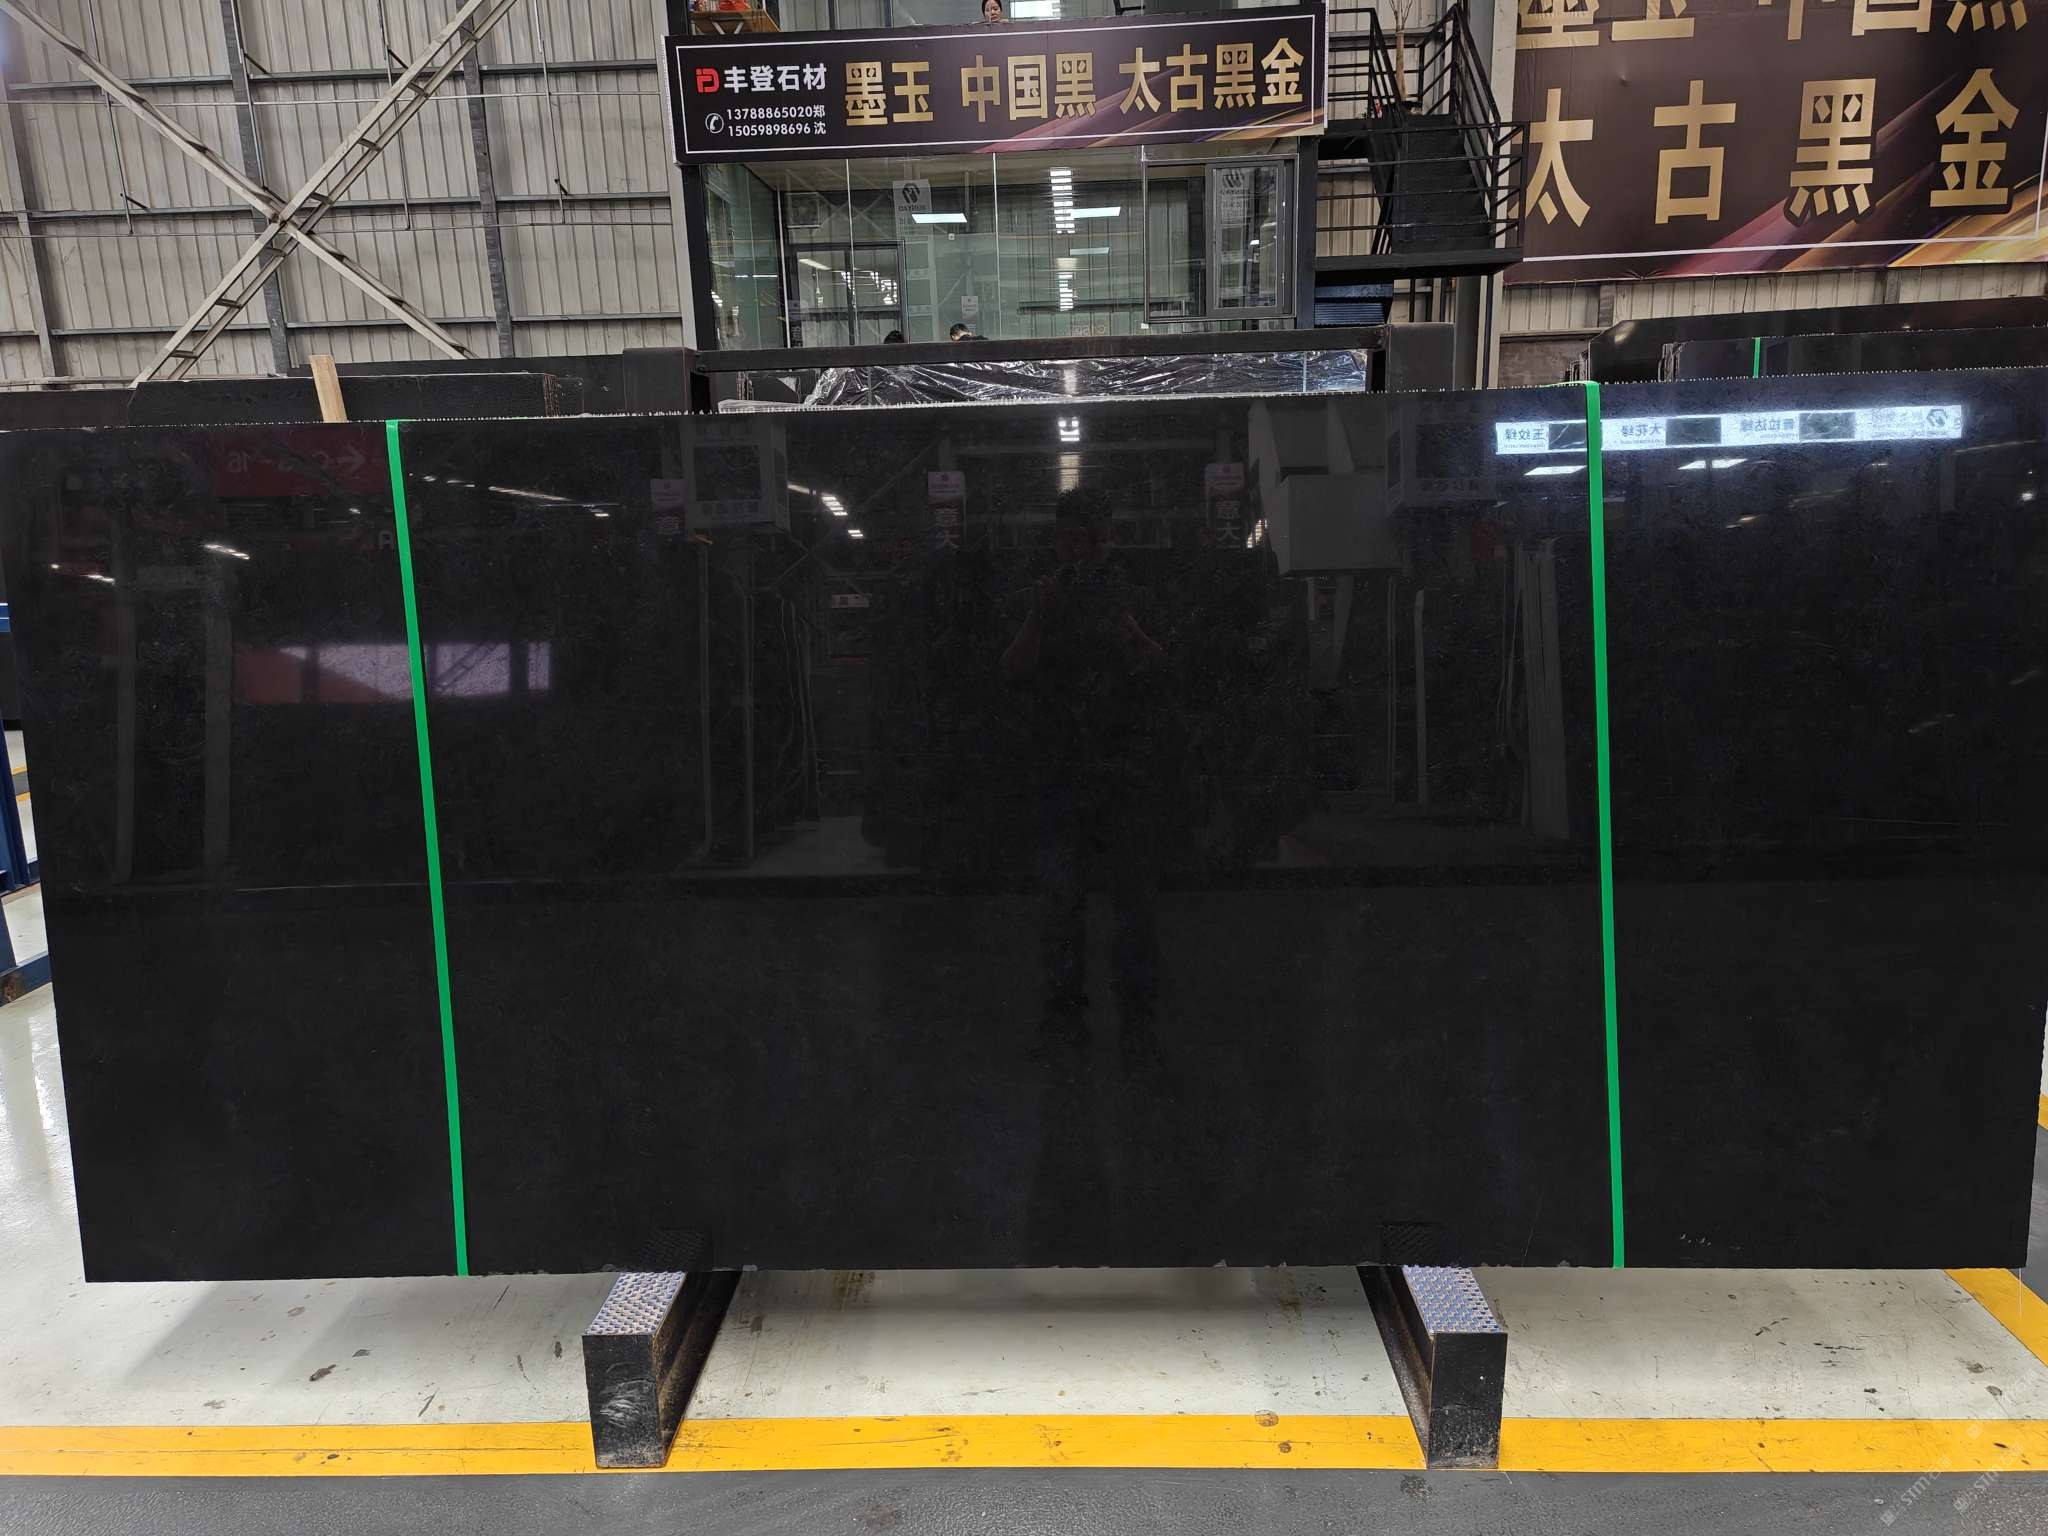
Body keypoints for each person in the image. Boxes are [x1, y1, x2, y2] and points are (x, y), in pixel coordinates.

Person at [1003, 488, 1168, 1068]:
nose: (1082, 552)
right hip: (1066, 771)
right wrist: (1038, 615)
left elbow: (1163, 669)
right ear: (1058, 542)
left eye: (1093, 540)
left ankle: (1133, 1022)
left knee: (1132, 908)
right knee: (1062, 907)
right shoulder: (1041, 596)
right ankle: (1068, 1019)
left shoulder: (1134, 595)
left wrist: (1128, 628)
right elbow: (1010, 671)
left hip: (1119, 770)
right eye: (1073, 540)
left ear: (1110, 540)